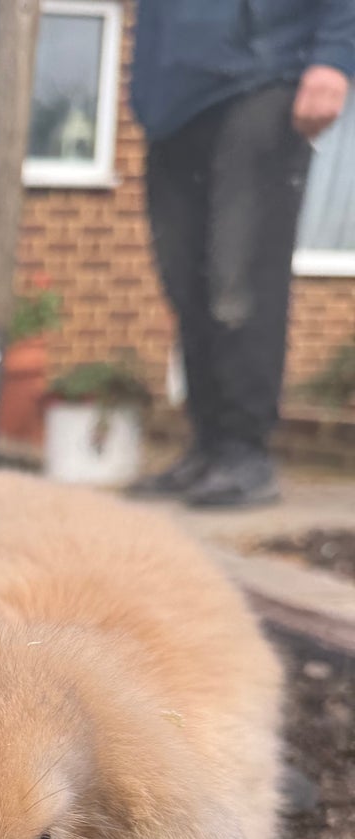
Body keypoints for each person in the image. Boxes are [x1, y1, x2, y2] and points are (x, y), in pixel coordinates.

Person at [130, 1, 355, 507]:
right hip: (173, 102)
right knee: (186, 285)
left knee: (241, 278)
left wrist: (335, 56)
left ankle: (244, 452)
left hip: (262, 74)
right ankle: (208, 446)